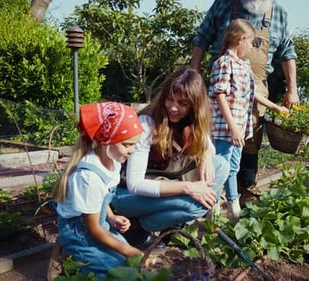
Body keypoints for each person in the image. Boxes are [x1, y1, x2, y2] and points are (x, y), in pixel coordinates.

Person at [111, 67, 230, 247]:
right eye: (169, 99)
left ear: (194, 105)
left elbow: (209, 147)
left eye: (182, 103)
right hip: (127, 197)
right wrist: (188, 188)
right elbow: (135, 184)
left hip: (163, 185)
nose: (173, 107)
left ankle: (152, 224)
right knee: (195, 206)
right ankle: (142, 226)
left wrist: (206, 156)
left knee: (221, 164)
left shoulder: (195, 121)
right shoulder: (148, 122)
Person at [191, 0, 300, 193]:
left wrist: (292, 89)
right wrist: (193, 74)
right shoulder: (223, 5)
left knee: (250, 139)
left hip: (255, 85)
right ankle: (213, 192)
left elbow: (287, 51)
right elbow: (201, 38)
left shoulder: (278, 12)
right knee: (219, 140)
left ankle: (244, 189)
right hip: (223, 85)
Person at [51, 102, 144, 279]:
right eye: (127, 144)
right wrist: (128, 249)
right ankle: (68, 254)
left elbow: (101, 200)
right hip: (80, 233)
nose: (132, 151)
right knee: (113, 272)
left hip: (99, 225)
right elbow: (92, 229)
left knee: (128, 265)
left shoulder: (114, 162)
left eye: (134, 144)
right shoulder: (89, 177)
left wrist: (111, 217)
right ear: (105, 141)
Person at [209, 19, 288, 220]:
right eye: (251, 43)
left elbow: (252, 94)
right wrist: (233, 127)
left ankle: (233, 204)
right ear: (240, 39)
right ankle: (213, 207)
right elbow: (219, 95)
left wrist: (275, 106)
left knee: (234, 167)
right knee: (221, 167)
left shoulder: (243, 65)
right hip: (226, 128)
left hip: (239, 128)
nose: (252, 47)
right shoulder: (224, 63)